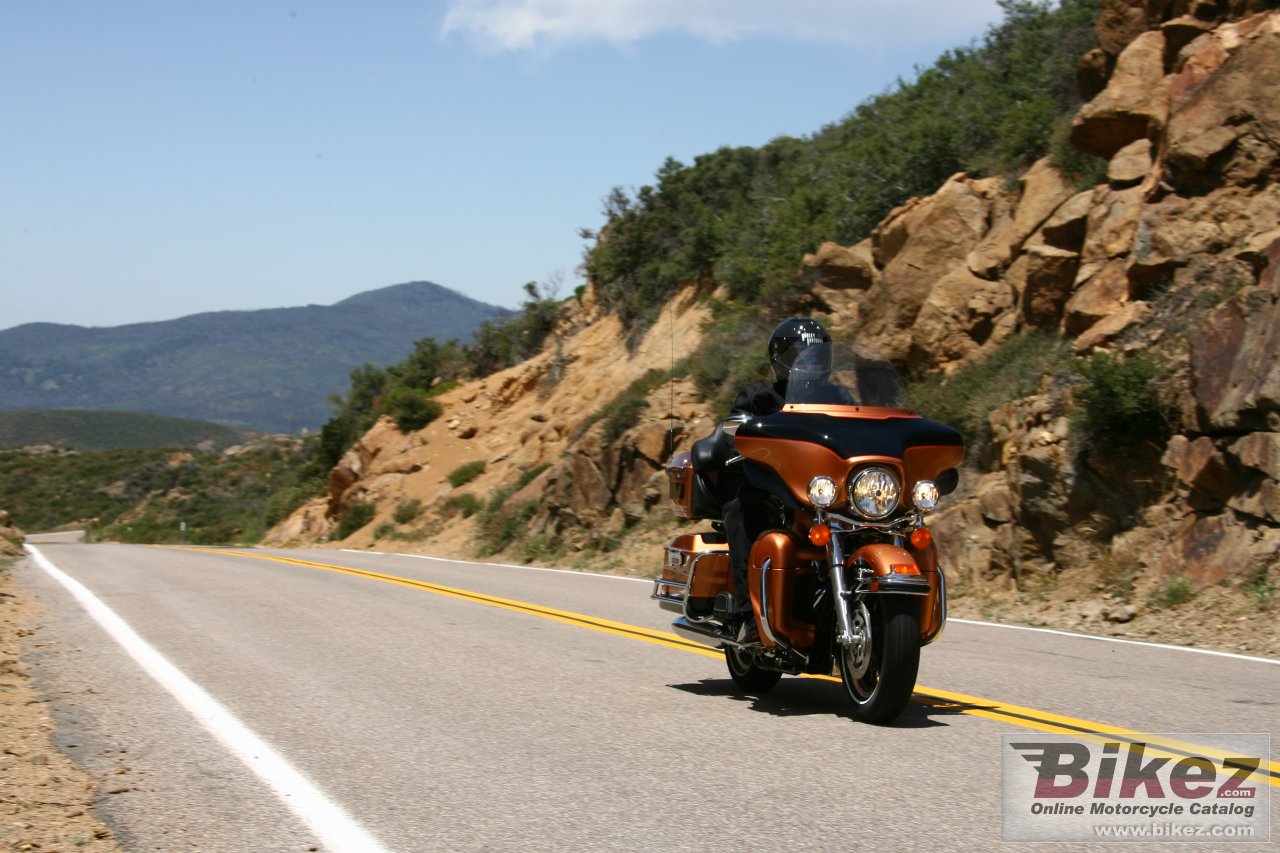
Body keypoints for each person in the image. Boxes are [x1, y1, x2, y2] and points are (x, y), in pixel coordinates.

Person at [722, 317, 845, 643]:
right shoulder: (760, 396)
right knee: (744, 508)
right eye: (801, 357)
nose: (811, 365)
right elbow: (734, 429)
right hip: (775, 489)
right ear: (781, 360)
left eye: (817, 357)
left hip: (830, 492)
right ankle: (747, 616)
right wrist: (740, 429)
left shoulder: (840, 398)